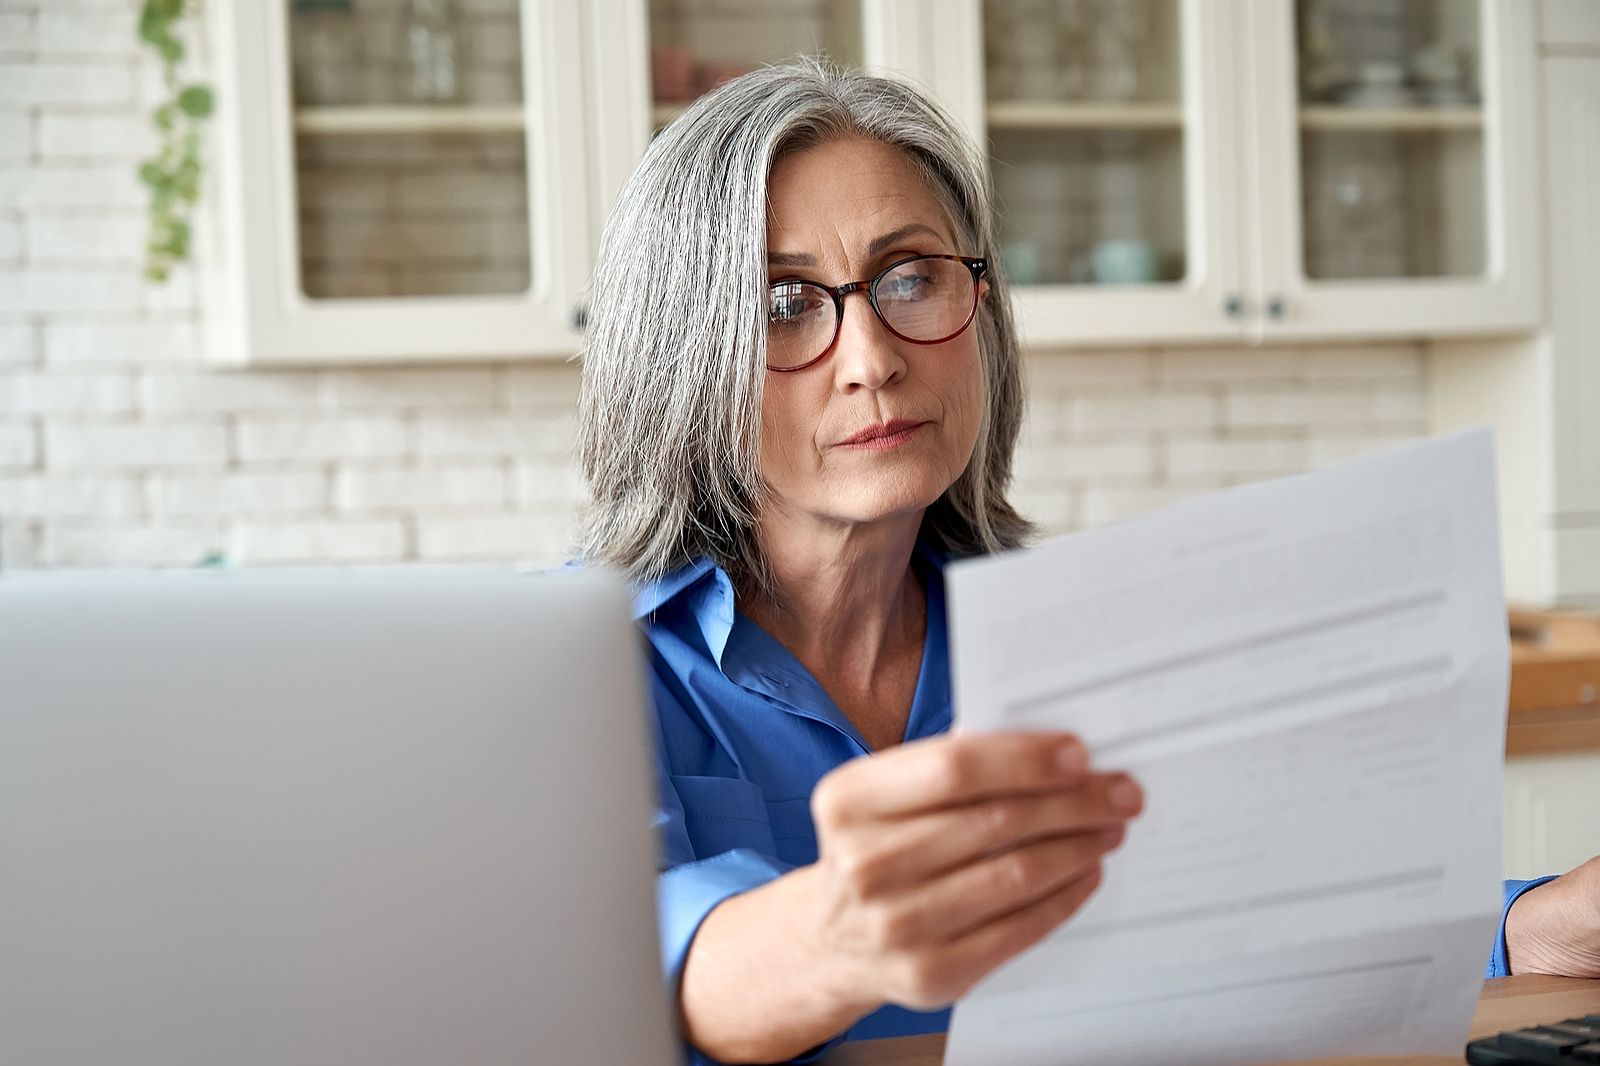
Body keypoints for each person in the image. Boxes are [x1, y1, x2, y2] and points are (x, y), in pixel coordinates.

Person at [575, 59, 1600, 1065]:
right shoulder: (577, 667)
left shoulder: (1081, 641)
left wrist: (1530, 927)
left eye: (909, 278)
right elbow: (611, 977)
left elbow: (1256, 933)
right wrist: (845, 931)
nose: (872, 357)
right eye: (783, 303)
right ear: (680, 352)